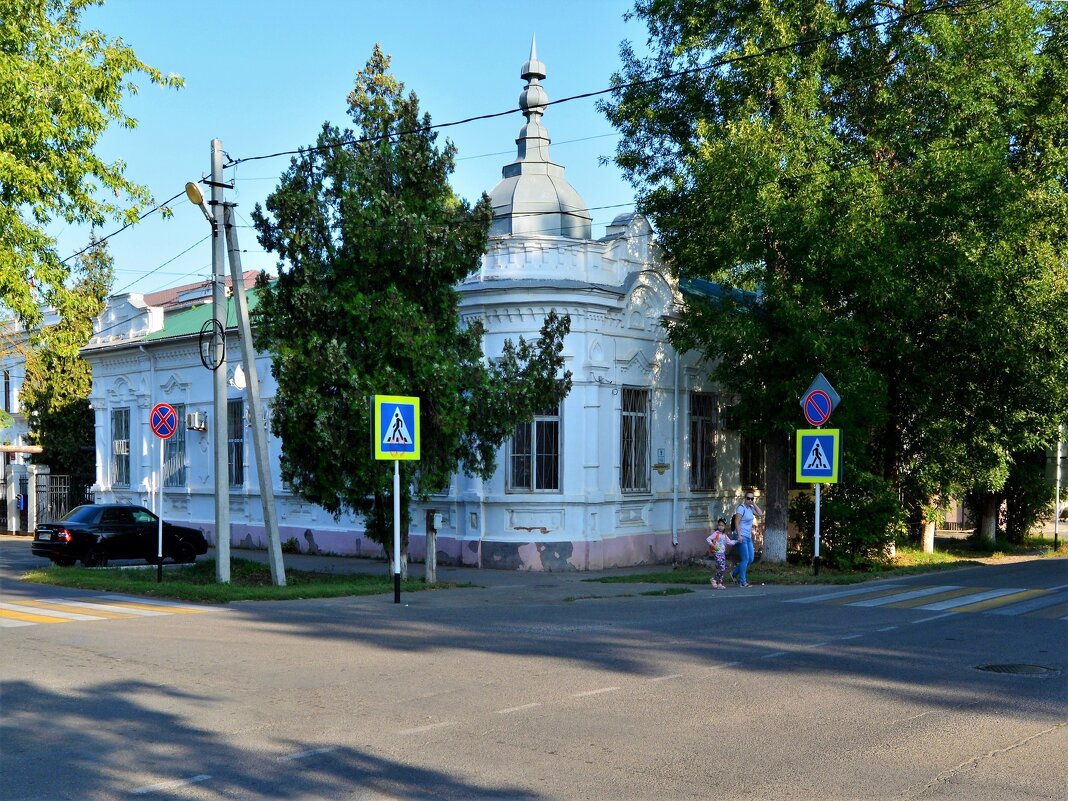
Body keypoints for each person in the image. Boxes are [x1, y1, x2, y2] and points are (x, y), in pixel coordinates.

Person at [730, 491, 763, 587]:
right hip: (740, 536)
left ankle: (734, 573)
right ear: (745, 498)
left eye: (752, 499)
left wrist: (754, 504)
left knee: (751, 558)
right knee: (745, 559)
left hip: (748, 537)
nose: (750, 500)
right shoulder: (741, 508)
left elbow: (760, 514)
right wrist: (739, 536)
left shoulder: (751, 508)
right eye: (748, 498)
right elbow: (736, 523)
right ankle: (743, 582)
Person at [706, 518, 737, 589]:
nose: (720, 527)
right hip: (717, 553)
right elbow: (708, 539)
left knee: (723, 567)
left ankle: (719, 583)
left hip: (722, 553)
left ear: (724, 527)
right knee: (722, 568)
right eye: (719, 525)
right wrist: (713, 545)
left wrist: (737, 541)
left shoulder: (724, 535)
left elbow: (730, 542)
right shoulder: (716, 533)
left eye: (722, 525)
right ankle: (714, 579)